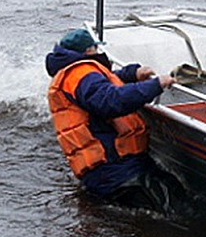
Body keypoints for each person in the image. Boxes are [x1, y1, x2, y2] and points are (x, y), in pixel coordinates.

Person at [45, 27, 188, 214]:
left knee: (172, 190)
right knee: (178, 210)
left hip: (110, 168)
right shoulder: (81, 74)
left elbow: (102, 85)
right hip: (116, 170)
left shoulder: (73, 74)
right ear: (89, 51)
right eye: (96, 49)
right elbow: (110, 100)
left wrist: (132, 74)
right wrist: (155, 85)